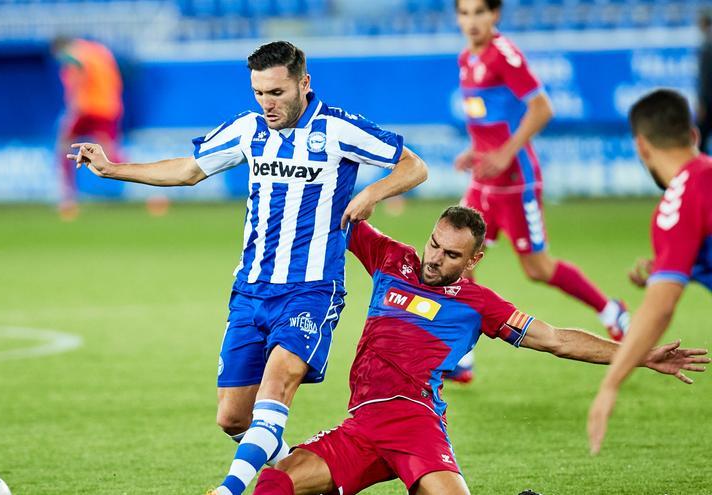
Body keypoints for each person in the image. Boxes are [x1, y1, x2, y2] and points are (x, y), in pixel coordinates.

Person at [68, 41, 428, 495]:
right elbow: (188, 170)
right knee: (233, 418)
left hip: (311, 289)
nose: (267, 103)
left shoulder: (337, 128)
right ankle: (307, 479)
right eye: (259, 93)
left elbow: (414, 167)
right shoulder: (249, 129)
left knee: (274, 390)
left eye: (277, 92)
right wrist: (111, 169)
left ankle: (228, 490)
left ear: (304, 83)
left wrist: (371, 193)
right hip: (251, 290)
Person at [249, 206, 708, 495]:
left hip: (415, 423)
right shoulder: (392, 259)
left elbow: (555, 339)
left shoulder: (479, 304)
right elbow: (338, 213)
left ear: (473, 260)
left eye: (451, 255)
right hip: (363, 424)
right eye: (434, 244)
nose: (434, 258)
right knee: (274, 481)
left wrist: (640, 354)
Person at [449, 0, 630, 382]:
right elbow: (490, 118)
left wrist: (505, 152)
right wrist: (477, 150)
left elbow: (542, 108)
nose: (472, 20)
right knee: (459, 260)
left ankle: (611, 310)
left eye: (479, 12)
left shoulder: (503, 55)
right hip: (483, 181)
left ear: (495, 14)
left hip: (516, 181)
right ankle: (462, 355)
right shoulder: (467, 58)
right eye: (464, 12)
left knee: (538, 269)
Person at [587, 89, 712, 454]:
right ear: (693, 135)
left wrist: (610, 384)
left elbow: (660, 308)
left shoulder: (678, 200)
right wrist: (667, 268)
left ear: (641, 146)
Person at [52, 36, 124, 220]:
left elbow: (76, 63)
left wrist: (73, 105)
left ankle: (67, 196)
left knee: (64, 146)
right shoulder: (99, 50)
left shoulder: (76, 52)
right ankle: (150, 187)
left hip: (87, 108)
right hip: (108, 107)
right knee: (111, 152)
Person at [696, 10, 712, 154]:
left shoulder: (707, 46)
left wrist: (702, 101)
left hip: (709, 102)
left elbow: (705, 78)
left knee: (701, 141)